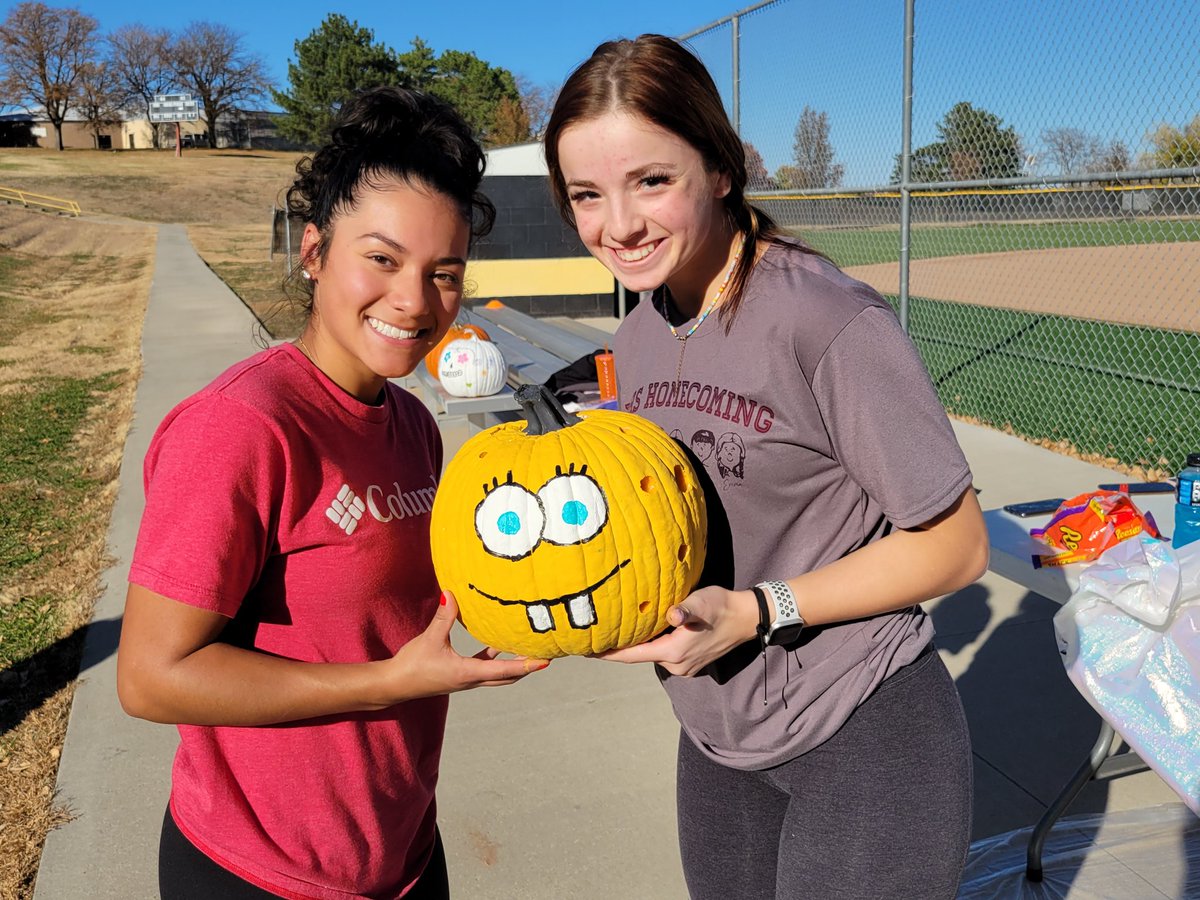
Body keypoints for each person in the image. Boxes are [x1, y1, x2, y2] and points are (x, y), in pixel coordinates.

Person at [543, 35, 989, 899]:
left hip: (863, 730)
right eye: (587, 195)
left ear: (720, 169)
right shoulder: (636, 336)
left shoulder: (824, 320)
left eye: (651, 181)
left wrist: (756, 611)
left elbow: (956, 546)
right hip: (716, 735)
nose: (618, 226)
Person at [116, 86, 548, 900]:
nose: (415, 301)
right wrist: (391, 682)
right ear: (313, 250)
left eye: (444, 273)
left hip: (401, 852)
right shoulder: (242, 426)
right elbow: (149, 677)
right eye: (382, 259)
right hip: (261, 870)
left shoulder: (413, 424)